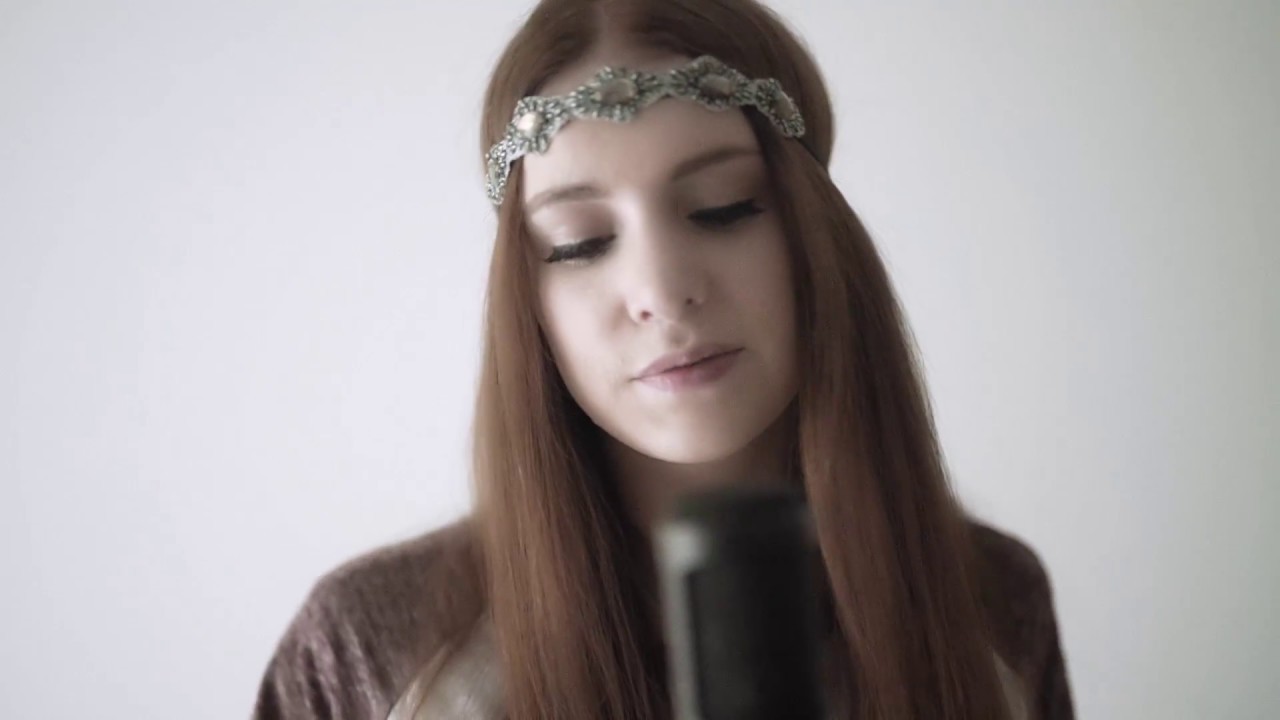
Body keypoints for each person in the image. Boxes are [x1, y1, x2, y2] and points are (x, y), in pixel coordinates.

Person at [252, 0, 1076, 718]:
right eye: (580, 242)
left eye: (723, 208)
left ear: (817, 236)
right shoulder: (368, 650)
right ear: (526, 298)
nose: (660, 290)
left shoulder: (991, 606)